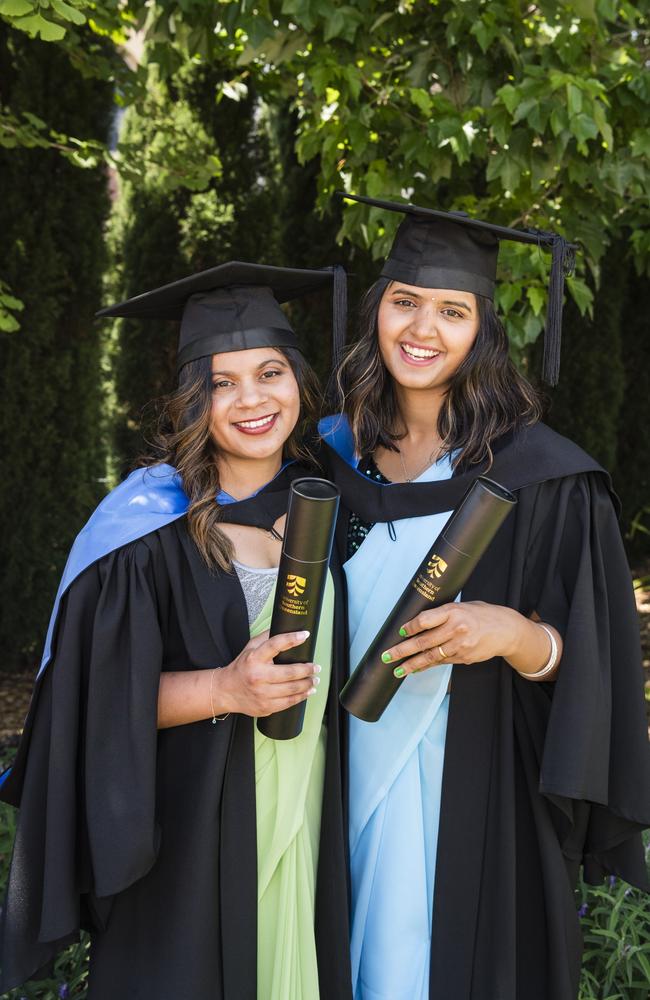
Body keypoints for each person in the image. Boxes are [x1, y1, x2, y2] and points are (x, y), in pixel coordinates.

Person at [319, 195, 650, 1000]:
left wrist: (511, 634)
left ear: (484, 331)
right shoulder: (325, 462)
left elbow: (597, 659)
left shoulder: (543, 477)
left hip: (476, 796)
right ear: (377, 313)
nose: (422, 330)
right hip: (326, 780)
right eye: (405, 302)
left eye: (452, 311)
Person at [0, 262, 352, 1000]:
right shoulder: (144, 526)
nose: (253, 399)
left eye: (270, 372)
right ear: (194, 399)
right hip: (195, 821)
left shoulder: (330, 502)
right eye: (224, 383)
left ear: (299, 382)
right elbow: (93, 702)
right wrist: (226, 686)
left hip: (311, 799)